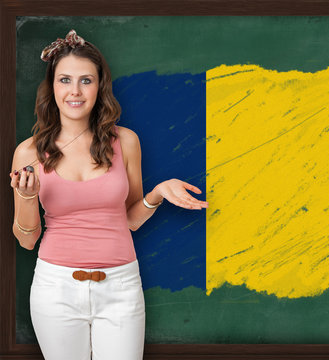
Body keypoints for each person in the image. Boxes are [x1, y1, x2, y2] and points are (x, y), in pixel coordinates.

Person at [9, 29, 208, 360]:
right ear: (52, 87)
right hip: (55, 288)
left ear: (99, 87)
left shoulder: (125, 141)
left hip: (121, 287)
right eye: (65, 80)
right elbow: (27, 240)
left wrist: (157, 193)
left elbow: (129, 220)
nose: (75, 91)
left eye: (86, 81)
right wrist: (28, 198)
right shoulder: (28, 152)